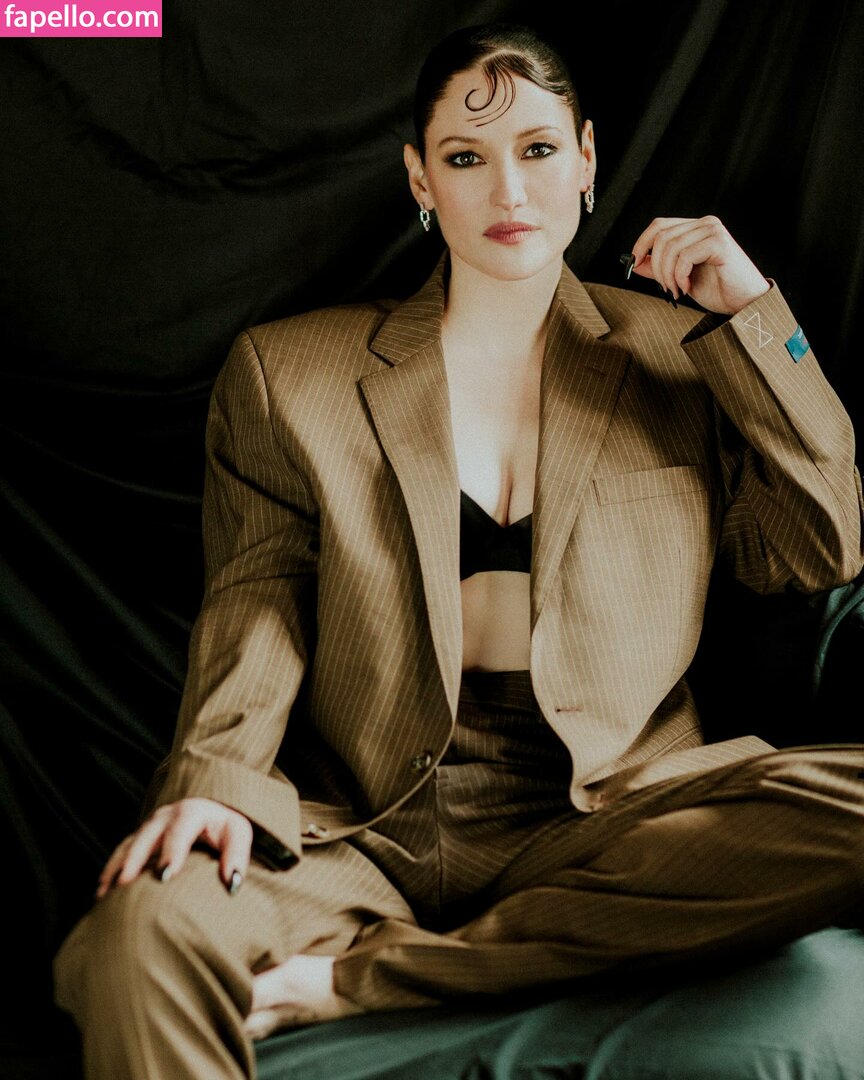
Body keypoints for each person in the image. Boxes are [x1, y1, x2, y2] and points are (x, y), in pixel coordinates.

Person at [55, 22, 864, 1080]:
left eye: (537, 150)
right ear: (420, 179)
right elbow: (259, 602)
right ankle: (432, 956)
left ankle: (377, 978)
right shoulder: (289, 373)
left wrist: (755, 316)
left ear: (586, 159)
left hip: (614, 821)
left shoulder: (682, 355)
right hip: (366, 830)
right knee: (138, 935)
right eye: (466, 158)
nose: (508, 191)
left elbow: (816, 550)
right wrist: (215, 777)